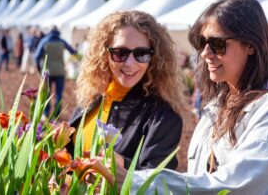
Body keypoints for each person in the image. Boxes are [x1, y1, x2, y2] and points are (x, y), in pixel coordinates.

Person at [114, 0, 268, 194]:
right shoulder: (216, 107)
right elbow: (201, 180)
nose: (205, 53)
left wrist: (132, 181)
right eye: (201, 42)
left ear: (250, 45)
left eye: (217, 43)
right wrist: (124, 170)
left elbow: (234, 185)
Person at [68, 11, 189, 170]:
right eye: (120, 53)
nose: (130, 63)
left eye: (141, 54)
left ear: (153, 57)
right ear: (105, 53)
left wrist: (120, 165)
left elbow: (157, 181)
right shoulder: (91, 100)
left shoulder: (162, 117)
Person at [34, 26, 77, 116]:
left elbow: (36, 56)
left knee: (46, 93)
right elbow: (73, 51)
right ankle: (56, 114)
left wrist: (39, 69)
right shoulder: (61, 41)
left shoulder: (44, 41)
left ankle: (46, 113)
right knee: (59, 94)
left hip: (47, 72)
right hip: (60, 71)